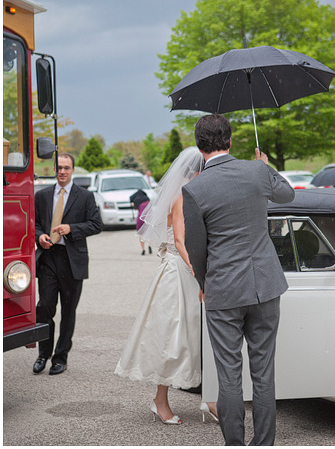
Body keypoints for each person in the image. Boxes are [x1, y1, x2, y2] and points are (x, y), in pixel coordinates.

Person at [183, 114, 295, 445]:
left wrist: (205, 284)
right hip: (265, 285)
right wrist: (266, 166)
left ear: (200, 146)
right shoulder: (258, 171)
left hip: (223, 289)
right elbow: (287, 195)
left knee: (229, 376)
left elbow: (195, 249)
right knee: (263, 373)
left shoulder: (194, 189)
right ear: (229, 141)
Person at [114, 146, 218, 425]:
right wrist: (198, 271)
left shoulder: (193, 194)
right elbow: (180, 241)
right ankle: (160, 400)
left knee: (198, 338)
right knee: (172, 337)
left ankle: (210, 399)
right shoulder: (182, 196)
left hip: (188, 269)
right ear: (196, 172)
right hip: (179, 272)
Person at [33, 153, 102, 376]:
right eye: (59, 167)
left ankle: (60, 358)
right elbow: (33, 224)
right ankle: (43, 354)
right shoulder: (42, 195)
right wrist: (40, 236)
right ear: (54, 168)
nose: (62, 171)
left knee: (68, 312)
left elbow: (95, 224)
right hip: (48, 258)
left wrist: (72, 228)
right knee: (44, 307)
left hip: (73, 260)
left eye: (66, 168)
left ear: (73, 170)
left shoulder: (85, 196)